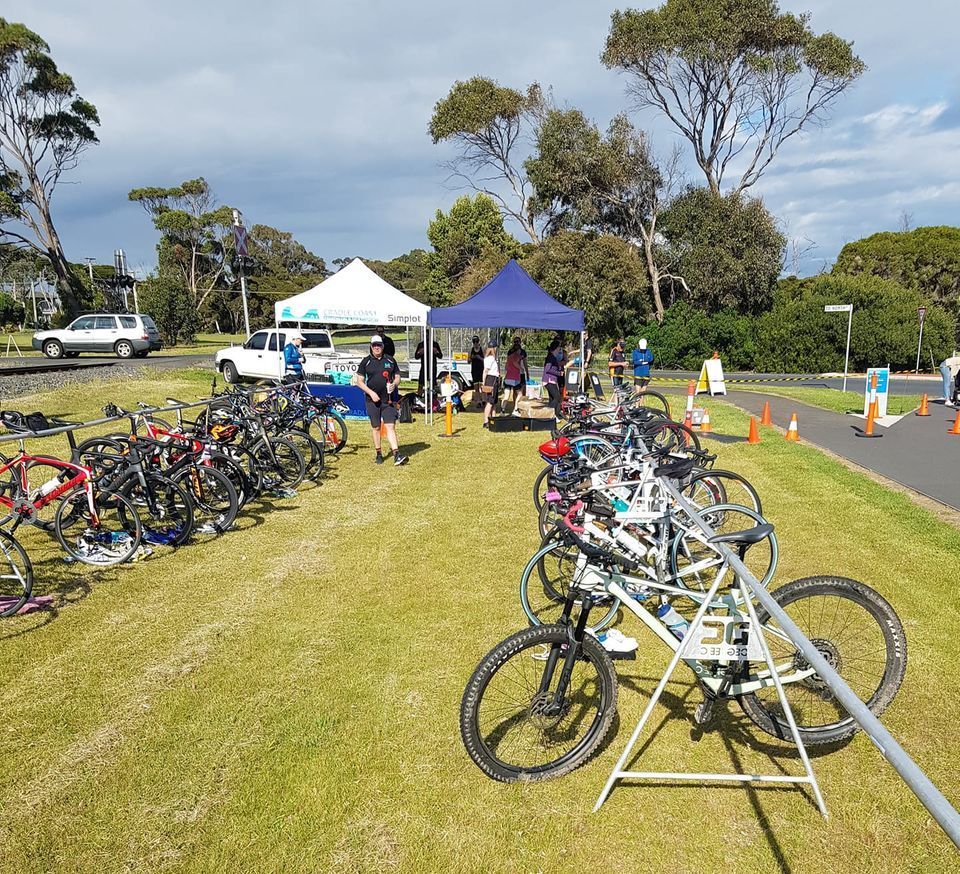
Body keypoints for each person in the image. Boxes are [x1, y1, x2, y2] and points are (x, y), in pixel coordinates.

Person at [357, 335, 408, 465]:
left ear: (383, 346)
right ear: (371, 346)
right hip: (372, 400)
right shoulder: (366, 362)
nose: (376, 347)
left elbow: (397, 377)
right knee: (376, 428)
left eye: (379, 345)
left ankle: (396, 453)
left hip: (389, 400)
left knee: (390, 426)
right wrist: (371, 393)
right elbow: (359, 382)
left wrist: (394, 384)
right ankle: (378, 453)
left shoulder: (390, 360)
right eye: (374, 345)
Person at [503, 337, 528, 415]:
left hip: (518, 374)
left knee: (521, 391)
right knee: (516, 392)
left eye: (518, 341)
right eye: (515, 341)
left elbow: (525, 363)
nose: (517, 343)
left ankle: (517, 407)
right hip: (515, 374)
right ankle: (515, 407)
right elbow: (512, 362)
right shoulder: (511, 352)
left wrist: (527, 372)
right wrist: (520, 368)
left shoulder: (523, 352)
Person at [542, 339, 564, 416]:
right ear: (556, 348)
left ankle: (552, 415)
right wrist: (558, 373)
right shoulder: (551, 357)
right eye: (559, 347)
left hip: (552, 380)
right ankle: (547, 413)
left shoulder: (553, 357)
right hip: (548, 381)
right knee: (557, 397)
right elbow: (547, 369)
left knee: (552, 398)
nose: (560, 349)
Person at [481, 344, 500, 428]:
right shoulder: (490, 359)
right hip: (491, 379)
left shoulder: (493, 358)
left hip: (494, 379)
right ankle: (486, 421)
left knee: (494, 402)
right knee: (490, 402)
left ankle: (493, 419)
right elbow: (485, 371)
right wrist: (484, 382)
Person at [468, 336, 485, 407]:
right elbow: (468, 361)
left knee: (482, 386)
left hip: (481, 370)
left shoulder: (482, 349)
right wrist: (471, 358)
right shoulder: (471, 350)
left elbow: (485, 360)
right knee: (476, 387)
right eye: (474, 342)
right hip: (474, 370)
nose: (475, 343)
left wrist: (479, 358)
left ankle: (483, 400)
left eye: (476, 342)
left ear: (479, 342)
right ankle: (478, 401)